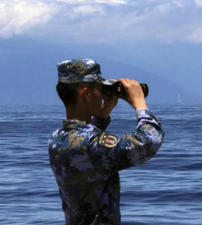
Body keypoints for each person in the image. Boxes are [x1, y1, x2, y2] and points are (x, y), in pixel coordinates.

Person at [48, 58, 165, 225]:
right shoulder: (93, 145)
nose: (102, 95)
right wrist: (140, 103)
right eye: (99, 89)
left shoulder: (56, 139)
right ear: (87, 93)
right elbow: (149, 141)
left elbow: (85, 141)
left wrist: (104, 112)